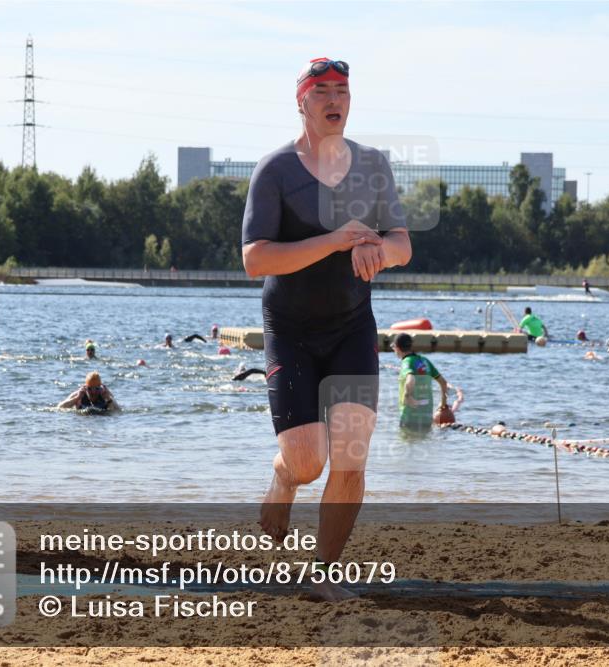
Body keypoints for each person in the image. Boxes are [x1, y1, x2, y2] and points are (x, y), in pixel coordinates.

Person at [241, 57, 411, 600]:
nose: (334, 100)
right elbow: (255, 259)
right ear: (302, 102)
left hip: (352, 328)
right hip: (289, 329)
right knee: (308, 462)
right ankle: (283, 477)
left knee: (352, 457)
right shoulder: (275, 171)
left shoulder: (373, 166)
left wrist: (380, 251)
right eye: (322, 93)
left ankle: (324, 575)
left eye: (342, 91)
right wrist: (336, 240)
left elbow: (403, 243)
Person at [392, 333, 448, 432]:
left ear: (397, 347)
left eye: (393, 347)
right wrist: (443, 404)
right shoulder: (425, 361)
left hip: (410, 417)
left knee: (405, 444)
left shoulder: (407, 362)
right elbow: (443, 383)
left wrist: (407, 396)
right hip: (426, 417)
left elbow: (411, 378)